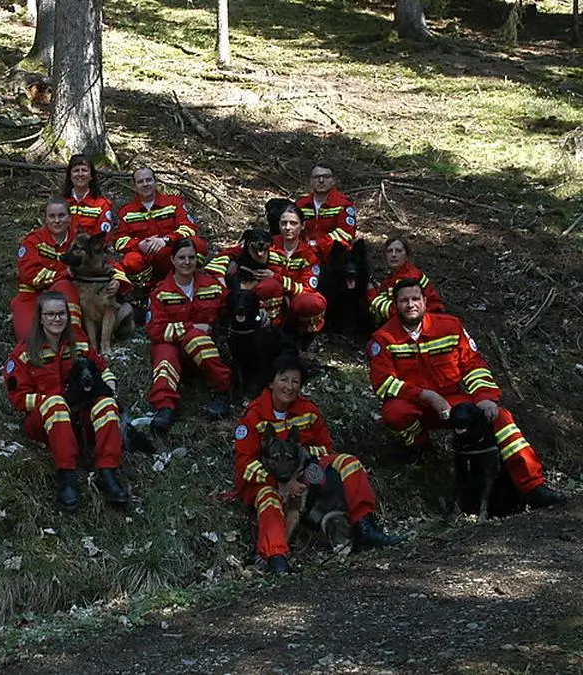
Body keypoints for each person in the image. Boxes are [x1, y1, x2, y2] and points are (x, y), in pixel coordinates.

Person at [367, 279, 564, 507]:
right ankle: (422, 451)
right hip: (416, 404)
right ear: (395, 304)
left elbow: (473, 365)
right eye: (404, 300)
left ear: (424, 301)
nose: (410, 304)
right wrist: (427, 396)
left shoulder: (449, 326)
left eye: (415, 299)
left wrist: (485, 397)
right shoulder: (383, 338)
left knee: (501, 418)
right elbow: (383, 382)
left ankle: (533, 486)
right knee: (395, 414)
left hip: (454, 402)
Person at [233, 356, 403, 574]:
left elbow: (325, 448)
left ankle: (365, 526)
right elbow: (244, 463)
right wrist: (277, 481)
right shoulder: (254, 415)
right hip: (263, 478)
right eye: (284, 380)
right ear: (271, 382)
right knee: (269, 498)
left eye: (295, 381)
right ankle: (276, 557)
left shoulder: (307, 410)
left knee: (348, 463)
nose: (290, 386)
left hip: (303, 470)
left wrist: (300, 473)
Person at [4, 292, 129, 510]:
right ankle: (67, 476)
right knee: (56, 404)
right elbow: (18, 397)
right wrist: (49, 401)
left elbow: (103, 369)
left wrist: (109, 389)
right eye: (50, 314)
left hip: (80, 417)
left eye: (61, 313)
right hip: (44, 422)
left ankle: (107, 472)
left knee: (106, 404)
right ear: (40, 317)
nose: (56, 319)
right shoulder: (23, 353)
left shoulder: (79, 343)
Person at [146, 238, 234, 430]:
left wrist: (259, 308)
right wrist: (190, 328)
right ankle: (164, 408)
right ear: (172, 260)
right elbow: (155, 330)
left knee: (196, 339)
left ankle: (223, 391)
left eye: (191, 258)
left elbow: (233, 305)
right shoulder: (160, 292)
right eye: (181, 258)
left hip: (204, 353)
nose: (187, 262)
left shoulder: (211, 285)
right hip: (172, 348)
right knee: (165, 354)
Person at [11, 197, 124, 342]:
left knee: (66, 287)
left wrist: (117, 280)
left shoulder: (78, 239)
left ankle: (76, 341)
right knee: (29, 341)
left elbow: (104, 261)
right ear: (45, 218)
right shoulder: (32, 241)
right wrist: (66, 273)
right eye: (52, 216)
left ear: (70, 218)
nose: (57, 220)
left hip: (65, 296)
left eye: (61, 215)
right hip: (33, 296)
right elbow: (30, 276)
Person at [115, 167, 208, 289]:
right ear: (134, 185)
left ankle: (191, 280)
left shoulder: (174, 202)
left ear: (155, 181)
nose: (145, 184)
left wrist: (166, 240)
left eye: (148, 180)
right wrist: (139, 244)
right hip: (147, 258)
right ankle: (145, 291)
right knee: (131, 260)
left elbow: (189, 227)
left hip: (173, 252)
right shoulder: (126, 212)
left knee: (198, 244)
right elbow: (119, 241)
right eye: (140, 181)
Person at [272, 202, 327, 336]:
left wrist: (279, 280)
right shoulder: (267, 243)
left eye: (293, 223)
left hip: (297, 299)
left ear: (302, 226)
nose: (288, 227)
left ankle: (306, 335)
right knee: (266, 287)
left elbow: (308, 287)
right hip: (271, 300)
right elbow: (235, 251)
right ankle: (267, 329)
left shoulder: (309, 253)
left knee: (312, 302)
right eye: (283, 223)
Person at [367, 237, 445, 323]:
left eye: (398, 251)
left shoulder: (409, 277)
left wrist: (371, 293)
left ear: (407, 255)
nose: (393, 255)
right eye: (389, 251)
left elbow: (396, 312)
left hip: (423, 323)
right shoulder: (392, 277)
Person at [295, 162, 357, 262]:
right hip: (302, 257)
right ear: (310, 181)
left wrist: (316, 244)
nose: (321, 180)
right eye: (316, 177)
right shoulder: (300, 204)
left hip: (334, 258)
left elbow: (345, 234)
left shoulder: (343, 204)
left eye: (326, 177)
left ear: (333, 181)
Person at [63, 154, 116, 236]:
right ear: (70, 176)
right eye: (76, 170)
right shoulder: (61, 203)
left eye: (84, 170)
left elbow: (104, 238)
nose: (80, 174)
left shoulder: (102, 205)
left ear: (91, 176)